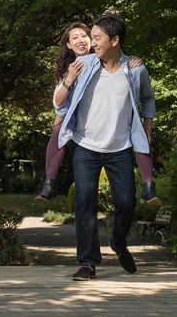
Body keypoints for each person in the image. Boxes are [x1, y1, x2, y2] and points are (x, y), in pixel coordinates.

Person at [56, 14, 156, 280]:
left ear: (115, 40)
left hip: (120, 146)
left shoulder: (135, 70)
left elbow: (147, 99)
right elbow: (59, 101)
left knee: (126, 201)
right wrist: (66, 80)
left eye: (97, 38)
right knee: (84, 201)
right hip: (85, 146)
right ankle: (87, 263)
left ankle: (118, 242)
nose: (92, 42)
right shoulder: (84, 64)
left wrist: (147, 129)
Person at [35, 22, 161, 205]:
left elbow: (116, 57)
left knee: (141, 135)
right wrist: (70, 78)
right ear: (68, 45)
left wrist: (131, 60)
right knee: (58, 131)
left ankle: (149, 187)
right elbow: (59, 104)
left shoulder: (104, 59)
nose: (83, 41)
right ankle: (50, 183)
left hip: (112, 130)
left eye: (86, 37)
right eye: (75, 38)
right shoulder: (72, 67)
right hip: (70, 114)